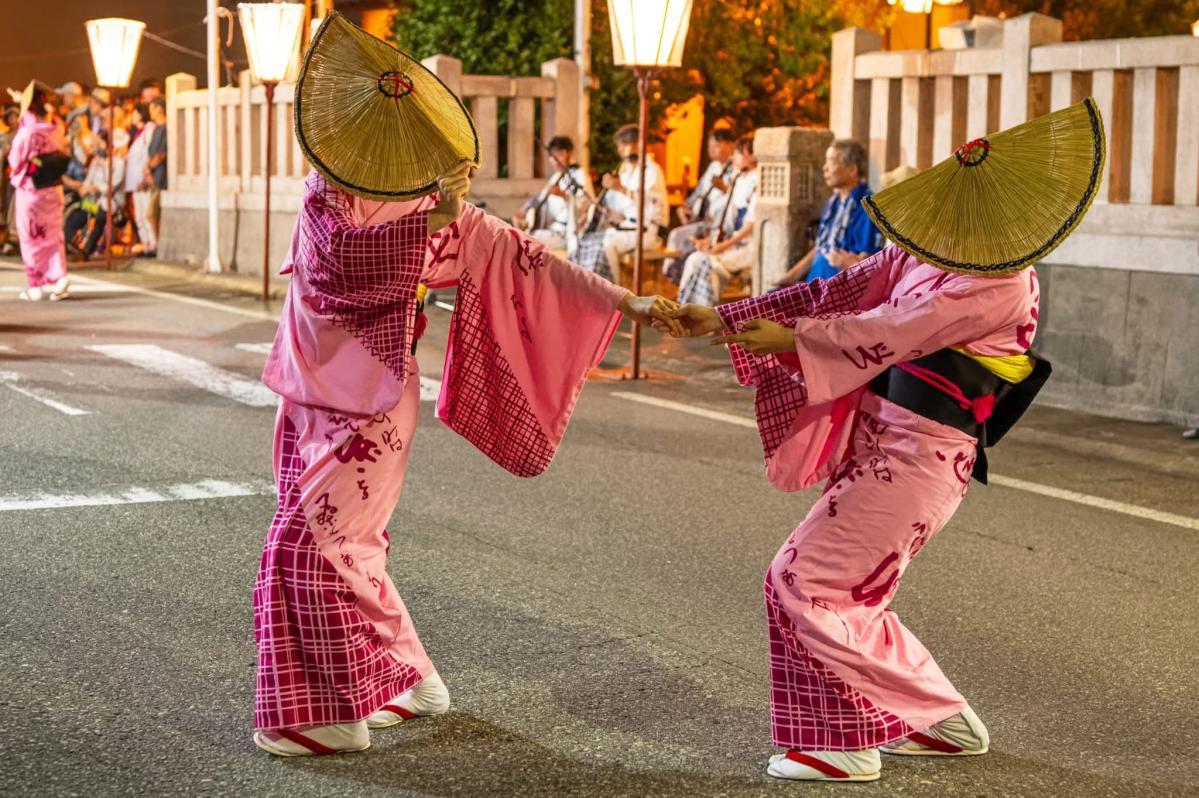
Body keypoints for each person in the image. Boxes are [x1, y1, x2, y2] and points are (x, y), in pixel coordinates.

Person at [251, 15, 683, 756]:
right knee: (351, 546)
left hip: (366, 408)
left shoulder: (421, 211)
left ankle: (324, 714)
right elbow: (332, 265)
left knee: (309, 548)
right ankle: (408, 680)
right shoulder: (332, 194)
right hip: (312, 394)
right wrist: (430, 222)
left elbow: (526, 258)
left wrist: (623, 300)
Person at [657, 99, 1102, 783]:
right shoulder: (933, 254)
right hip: (892, 446)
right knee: (848, 593)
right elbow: (843, 289)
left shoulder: (1001, 282)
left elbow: (893, 330)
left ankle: (842, 743)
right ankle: (939, 718)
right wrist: (724, 318)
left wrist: (794, 339)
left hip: (920, 456)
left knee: (803, 580)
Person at [774, 139, 882, 286]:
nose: (825, 168)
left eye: (831, 162)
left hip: (837, 292)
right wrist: (788, 278)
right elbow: (820, 248)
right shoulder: (833, 202)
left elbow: (867, 264)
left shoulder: (867, 205)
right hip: (814, 284)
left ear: (852, 170)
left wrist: (847, 263)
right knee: (767, 298)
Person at [574, 124, 668, 282]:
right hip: (627, 227)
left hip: (647, 230)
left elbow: (647, 201)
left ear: (635, 144)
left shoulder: (651, 170)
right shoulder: (625, 169)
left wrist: (619, 187)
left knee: (606, 244)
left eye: (622, 146)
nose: (619, 151)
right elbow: (613, 204)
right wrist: (592, 206)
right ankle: (590, 288)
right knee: (588, 238)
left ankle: (615, 293)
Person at [676, 133, 759, 306]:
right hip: (732, 242)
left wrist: (721, 246)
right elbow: (727, 222)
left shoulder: (758, 181)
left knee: (701, 260)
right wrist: (712, 241)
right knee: (696, 258)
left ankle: (703, 314)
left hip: (747, 246)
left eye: (737, 153)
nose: (734, 157)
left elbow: (750, 225)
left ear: (750, 155)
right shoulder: (740, 179)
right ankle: (690, 309)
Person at [7, 82, 69, 301]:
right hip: (54, 187)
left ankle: (36, 285)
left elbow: (15, 159)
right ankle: (59, 276)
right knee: (54, 235)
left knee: (31, 236)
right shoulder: (57, 127)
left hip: (32, 189)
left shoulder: (28, 132)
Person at [663, 127, 737, 283]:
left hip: (721, 227)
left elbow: (739, 197)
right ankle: (673, 276)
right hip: (703, 220)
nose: (711, 150)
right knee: (676, 235)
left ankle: (685, 278)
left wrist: (724, 188)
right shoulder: (713, 166)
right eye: (710, 146)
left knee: (688, 244)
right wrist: (684, 207)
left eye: (716, 146)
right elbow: (699, 192)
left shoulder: (737, 167)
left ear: (730, 145)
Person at [512, 135, 592, 253]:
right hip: (551, 230)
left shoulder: (579, 174)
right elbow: (537, 200)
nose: (556, 159)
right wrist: (521, 213)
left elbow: (585, 203)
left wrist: (563, 195)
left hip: (568, 234)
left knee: (522, 241)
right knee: (514, 236)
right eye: (553, 155)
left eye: (561, 154)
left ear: (569, 154)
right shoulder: (555, 177)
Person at [63, 127, 127, 260]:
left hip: (111, 203)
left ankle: (87, 250)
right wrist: (84, 188)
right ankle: (70, 244)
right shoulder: (95, 161)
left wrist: (93, 188)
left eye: (100, 142)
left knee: (101, 216)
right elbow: (88, 180)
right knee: (76, 211)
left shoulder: (119, 162)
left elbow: (112, 186)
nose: (97, 146)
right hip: (92, 202)